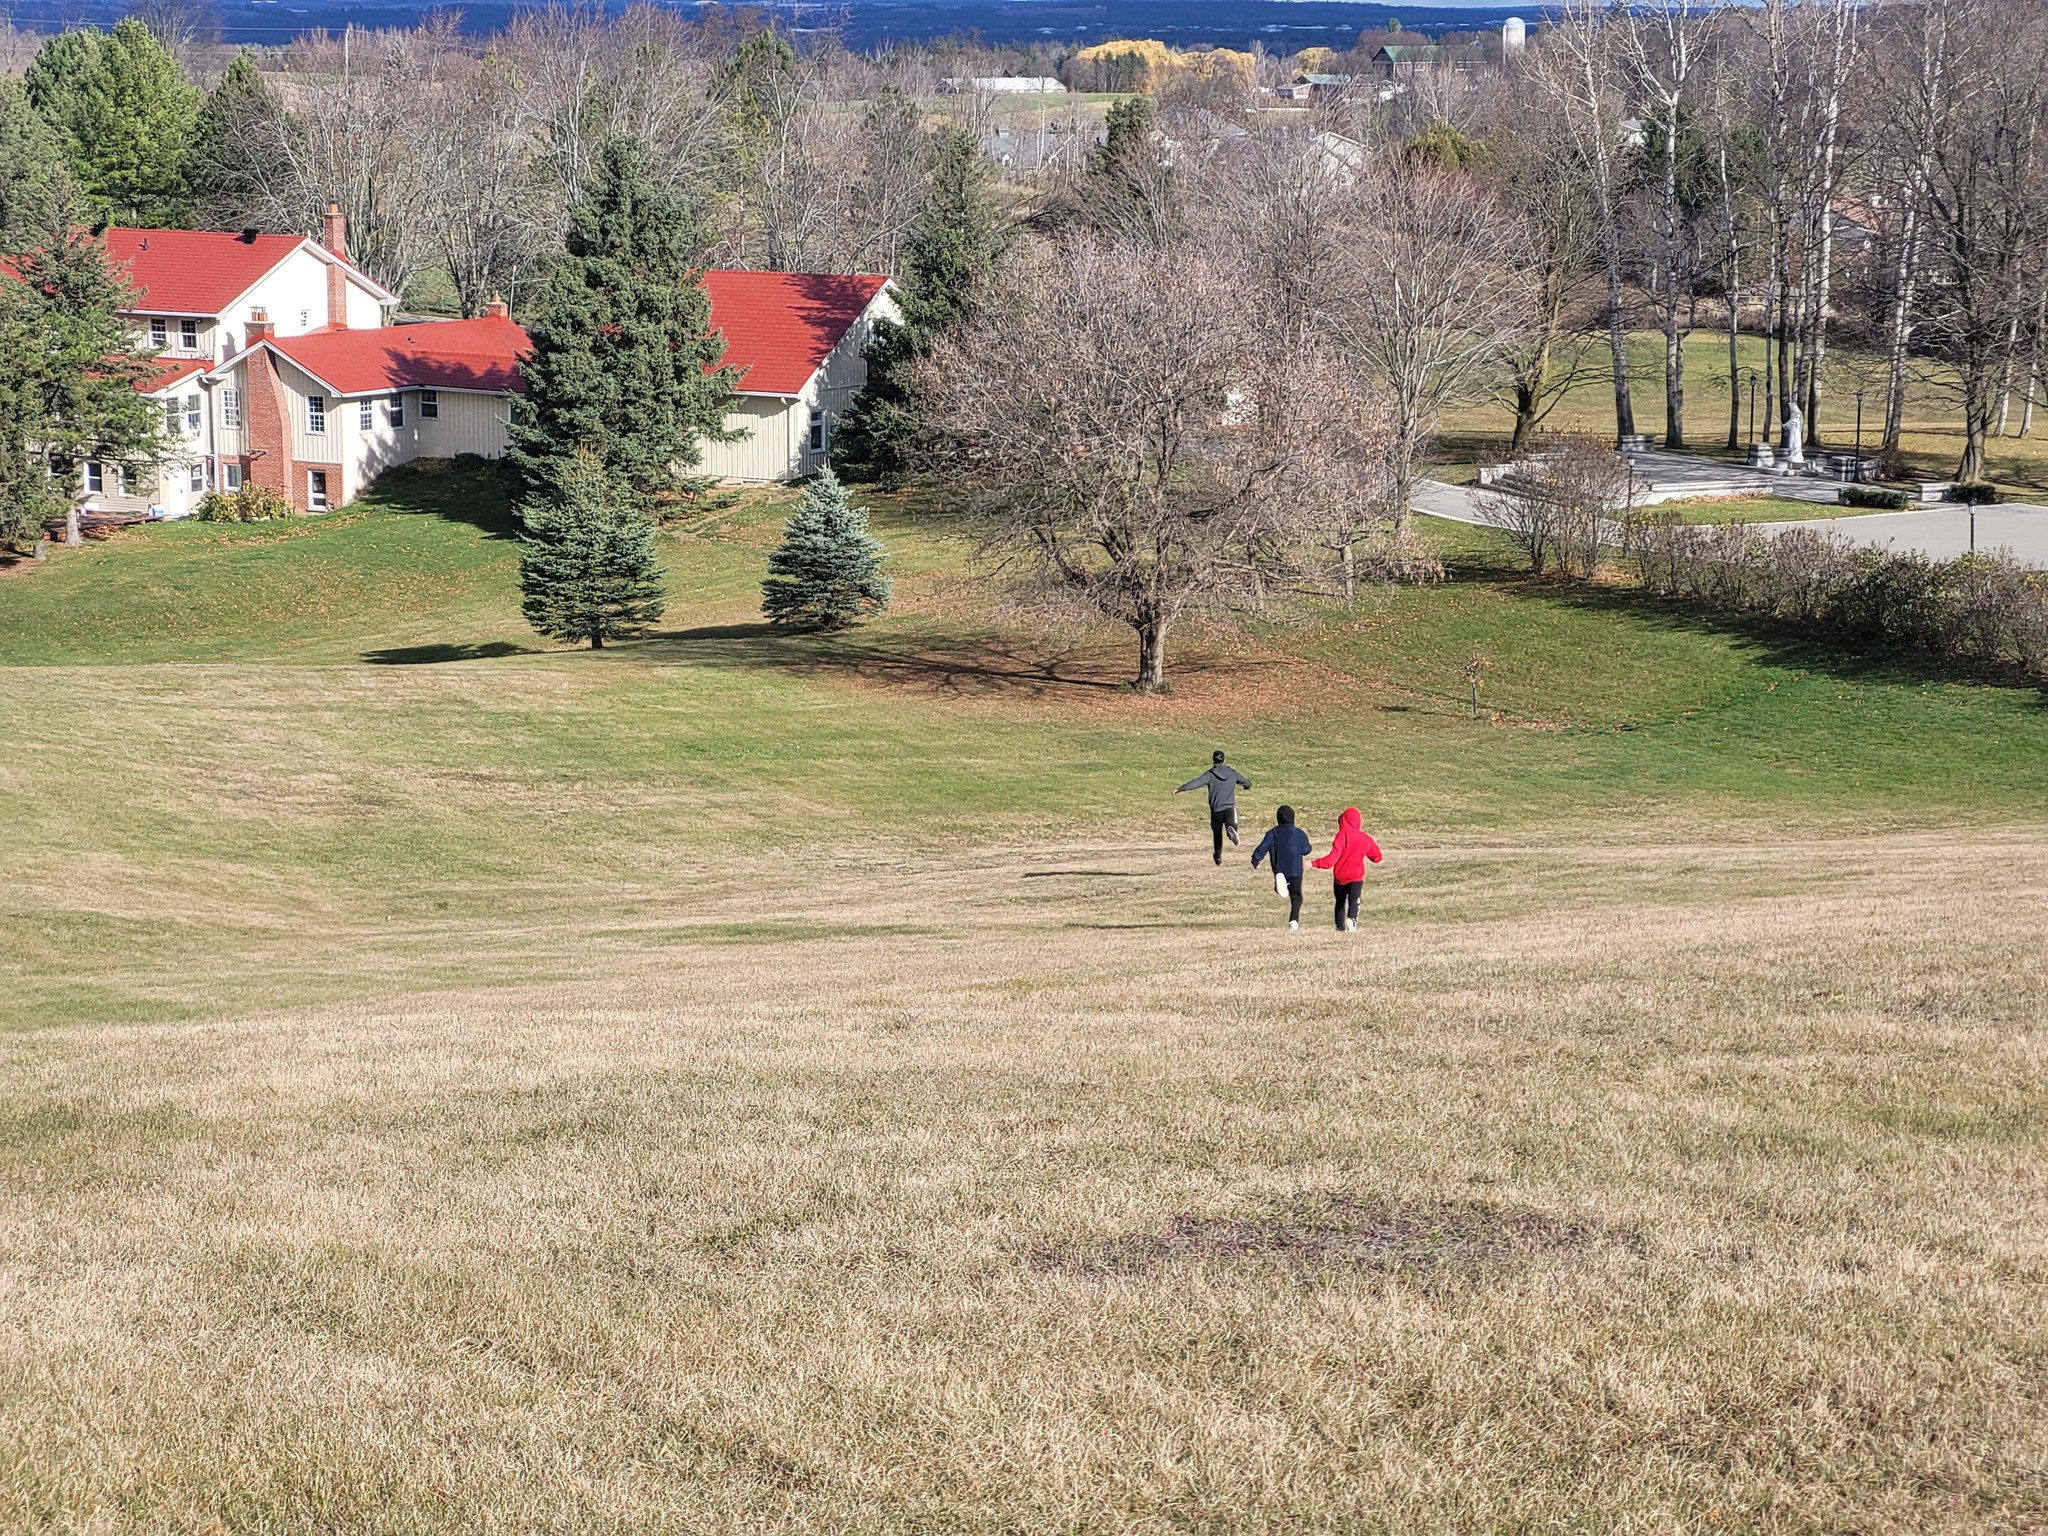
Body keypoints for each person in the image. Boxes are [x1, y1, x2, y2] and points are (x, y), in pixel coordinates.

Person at [1311, 807, 1383, 932]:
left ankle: (1340, 927)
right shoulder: (1365, 838)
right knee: (1354, 899)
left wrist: (1314, 863)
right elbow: (1377, 857)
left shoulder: (1342, 836)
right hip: (1356, 876)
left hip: (1340, 877)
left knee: (1340, 903)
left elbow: (1331, 860)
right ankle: (1352, 919)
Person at [1174, 750, 1252, 865]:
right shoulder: (1232, 773)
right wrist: (1247, 785)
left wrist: (1180, 788)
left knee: (1217, 833)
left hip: (1216, 810)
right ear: (1223, 759)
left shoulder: (1210, 774)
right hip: (1229, 806)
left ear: (1213, 760)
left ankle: (1218, 856)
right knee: (1231, 821)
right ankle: (1232, 829)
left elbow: (1196, 783)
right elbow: (1246, 783)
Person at [1250, 805, 1313, 930]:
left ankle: (1280, 882)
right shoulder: (1299, 833)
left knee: (1283, 879)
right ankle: (1293, 921)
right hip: (1295, 869)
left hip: (1279, 867)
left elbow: (1263, 847)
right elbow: (1307, 849)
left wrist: (1256, 860)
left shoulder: (1272, 833)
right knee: (1296, 896)